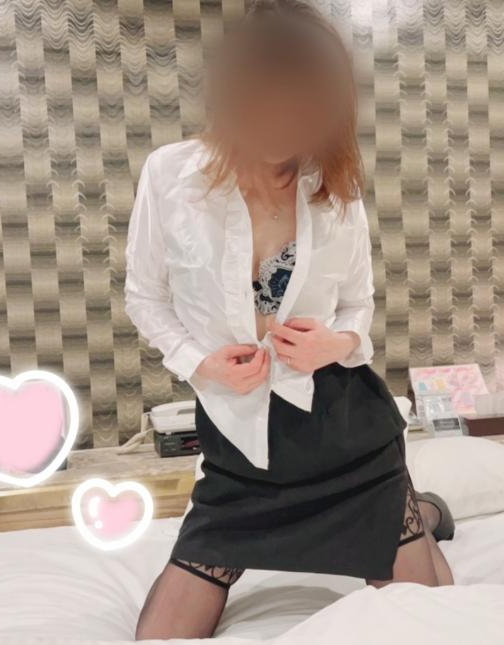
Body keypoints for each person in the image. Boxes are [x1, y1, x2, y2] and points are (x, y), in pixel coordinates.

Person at [125, 0, 454, 639]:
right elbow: (145, 296)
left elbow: (358, 305)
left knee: (431, 615)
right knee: (161, 636)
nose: (284, 125)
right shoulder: (171, 176)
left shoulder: (334, 187)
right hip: (239, 434)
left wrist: (336, 343)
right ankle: (422, 512)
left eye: (305, 108)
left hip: (345, 431)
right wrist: (199, 362)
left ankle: (420, 511)